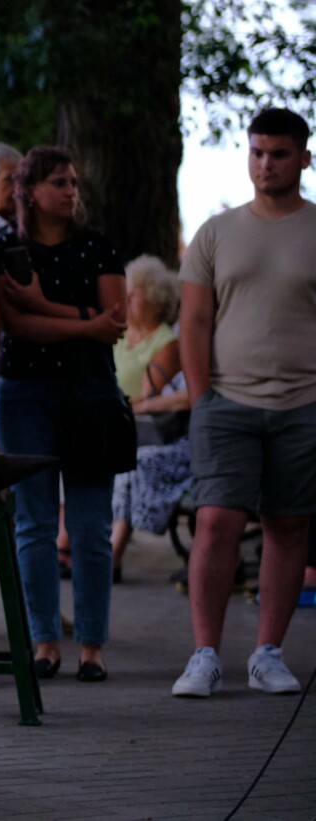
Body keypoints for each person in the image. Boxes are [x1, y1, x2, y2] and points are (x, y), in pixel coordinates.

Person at [171, 107, 316, 698]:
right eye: (257, 152)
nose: (265, 164)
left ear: (303, 158)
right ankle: (204, 654)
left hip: (304, 404)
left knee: (287, 525)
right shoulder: (216, 231)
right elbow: (194, 321)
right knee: (215, 521)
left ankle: (267, 654)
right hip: (226, 402)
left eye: (278, 153)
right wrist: (203, 398)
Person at [0, 146, 125, 682]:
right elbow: (16, 328)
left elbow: (116, 320)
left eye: (74, 182)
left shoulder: (96, 246)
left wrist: (43, 305)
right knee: (35, 522)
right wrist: (84, 323)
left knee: (92, 527)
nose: (71, 191)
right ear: (29, 192)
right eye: (59, 183)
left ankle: (92, 646)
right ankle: (45, 641)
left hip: (91, 393)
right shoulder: (9, 247)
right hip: (24, 391)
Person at [111, 255, 187, 581]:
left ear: (155, 299)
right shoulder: (118, 333)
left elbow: (149, 397)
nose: (127, 298)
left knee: (131, 462)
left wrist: (123, 406)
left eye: (135, 292)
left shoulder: (166, 342)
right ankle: (70, 543)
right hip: (115, 422)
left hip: (148, 432)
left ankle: (110, 555)